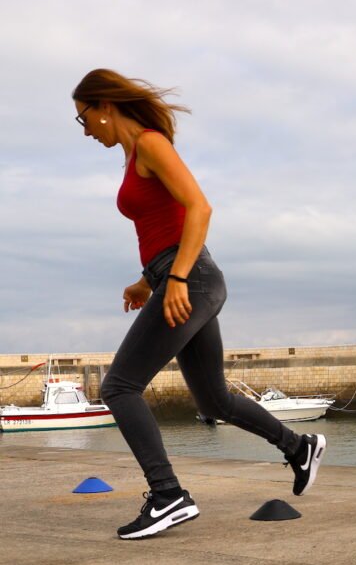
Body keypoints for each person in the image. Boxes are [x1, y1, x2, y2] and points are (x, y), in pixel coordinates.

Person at [72, 69, 326, 540]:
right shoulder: (132, 154)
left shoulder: (150, 143)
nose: (85, 129)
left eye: (83, 117)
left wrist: (177, 280)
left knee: (120, 387)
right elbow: (163, 226)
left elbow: (199, 208)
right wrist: (148, 282)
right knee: (213, 399)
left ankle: (168, 495)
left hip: (191, 279)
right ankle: (298, 446)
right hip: (179, 278)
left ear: (104, 105)